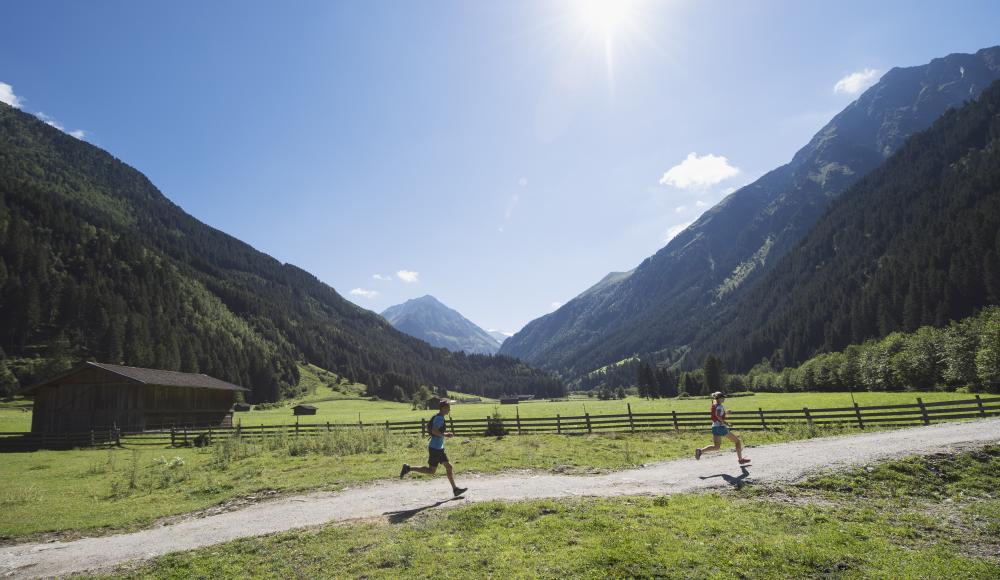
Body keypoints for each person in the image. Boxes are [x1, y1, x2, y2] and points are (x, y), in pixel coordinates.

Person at [400, 399, 468, 496]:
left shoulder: (438, 416)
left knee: (431, 470)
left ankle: (408, 468)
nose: (449, 410)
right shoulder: (440, 418)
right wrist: (445, 435)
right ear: (443, 408)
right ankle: (455, 489)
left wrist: (444, 434)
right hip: (436, 448)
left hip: (435, 447)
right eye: (448, 408)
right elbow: (434, 431)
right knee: (448, 467)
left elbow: (435, 431)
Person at [695, 391, 751, 464]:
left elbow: (717, 415)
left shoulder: (714, 405)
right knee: (737, 441)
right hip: (721, 427)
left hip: (714, 427)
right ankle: (740, 459)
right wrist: (725, 423)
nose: (724, 399)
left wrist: (726, 413)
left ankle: (700, 451)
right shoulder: (720, 406)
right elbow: (718, 415)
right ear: (719, 398)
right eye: (723, 397)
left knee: (716, 447)